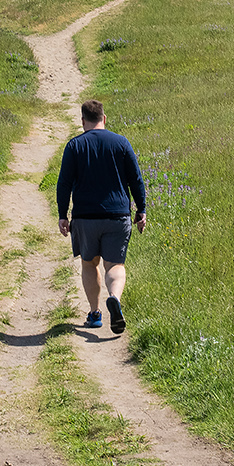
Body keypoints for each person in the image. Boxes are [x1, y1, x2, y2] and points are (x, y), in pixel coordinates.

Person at [55, 99, 148, 334]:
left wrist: (62, 214)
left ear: (83, 121)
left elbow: (64, 183)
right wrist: (141, 209)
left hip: (85, 217)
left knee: (89, 263)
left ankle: (95, 314)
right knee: (114, 265)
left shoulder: (74, 146)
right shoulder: (121, 143)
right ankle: (114, 298)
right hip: (117, 216)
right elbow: (135, 179)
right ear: (104, 119)